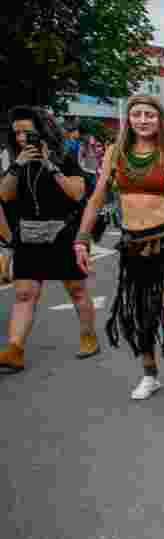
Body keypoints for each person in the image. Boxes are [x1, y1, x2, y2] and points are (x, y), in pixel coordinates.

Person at [77, 95, 164, 417]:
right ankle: (150, 375)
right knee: (142, 316)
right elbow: (96, 200)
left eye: (149, 114)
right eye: (136, 114)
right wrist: (81, 240)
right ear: (129, 119)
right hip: (133, 245)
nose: (142, 120)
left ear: (160, 120)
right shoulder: (116, 154)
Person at [0, 106, 97, 373]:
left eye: (27, 133)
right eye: (17, 133)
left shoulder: (63, 156)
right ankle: (15, 349)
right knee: (24, 293)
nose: (21, 138)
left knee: (76, 290)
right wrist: (17, 166)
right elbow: (5, 196)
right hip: (28, 234)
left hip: (62, 232)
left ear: (41, 132)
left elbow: (77, 194)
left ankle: (88, 335)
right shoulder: (12, 159)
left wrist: (49, 165)